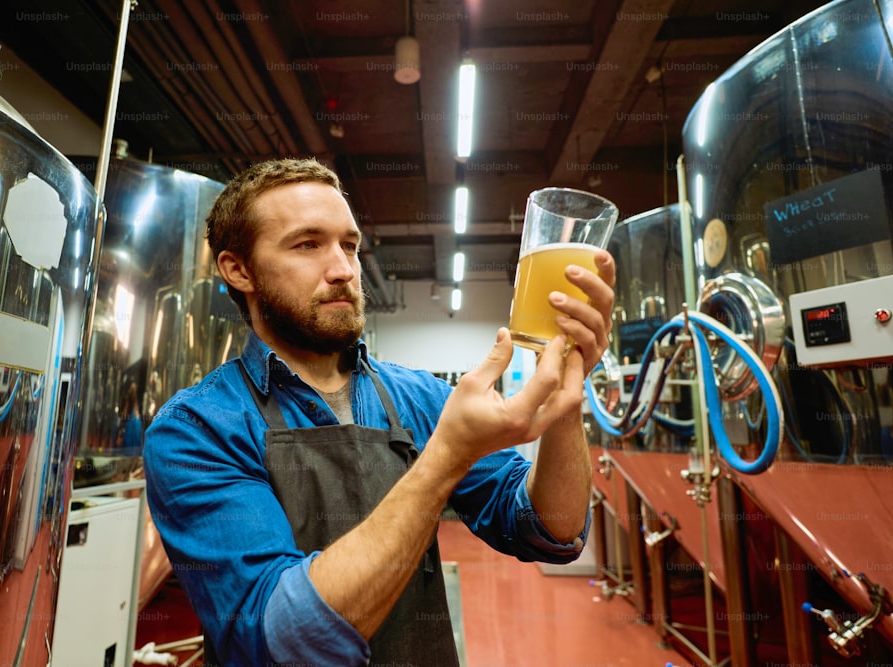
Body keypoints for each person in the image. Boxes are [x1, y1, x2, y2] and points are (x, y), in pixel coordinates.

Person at [143, 158, 616, 666]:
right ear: (239, 270)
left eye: (349, 245)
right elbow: (281, 640)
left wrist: (568, 387)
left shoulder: (418, 396)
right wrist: (445, 458)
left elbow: (550, 530)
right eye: (308, 244)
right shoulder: (196, 427)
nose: (345, 269)